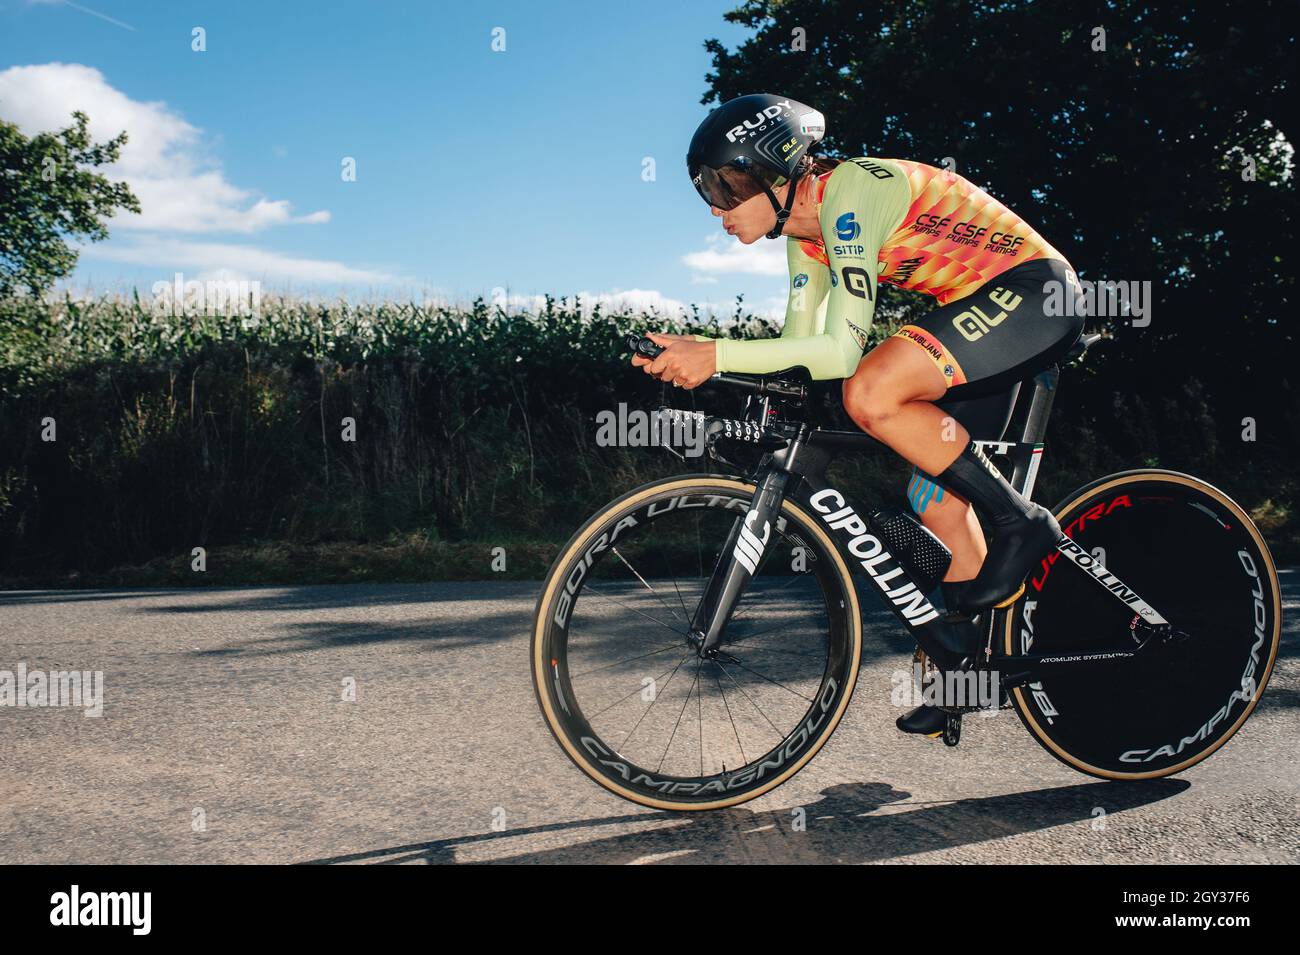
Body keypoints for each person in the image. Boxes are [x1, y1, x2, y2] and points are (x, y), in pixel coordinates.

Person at [635, 93, 1084, 737]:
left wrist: (714, 354)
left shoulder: (851, 193)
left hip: (1035, 293)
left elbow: (843, 349)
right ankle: (965, 672)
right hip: (977, 317)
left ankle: (1023, 524)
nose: (716, 208)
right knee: (937, 503)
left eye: (729, 187)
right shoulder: (805, 239)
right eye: (709, 189)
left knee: (873, 389)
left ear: (779, 174)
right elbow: (804, 354)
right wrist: (722, 382)